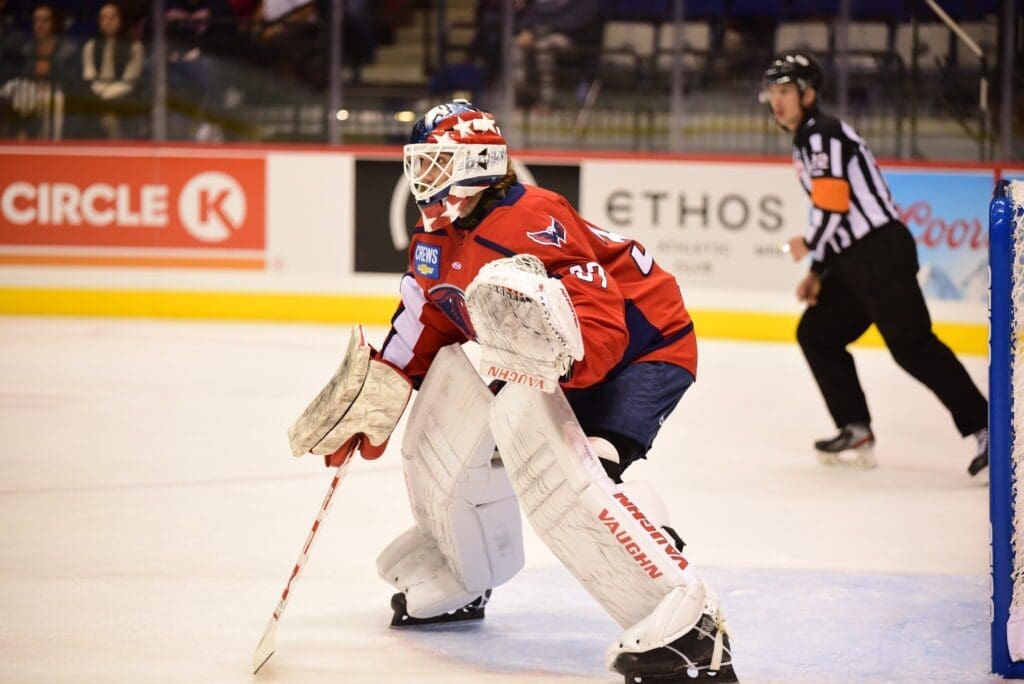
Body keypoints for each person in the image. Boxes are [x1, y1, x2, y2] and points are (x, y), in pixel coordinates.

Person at [287, 99, 738, 682]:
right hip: (546, 359)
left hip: (642, 351)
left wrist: (546, 370)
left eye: (436, 163)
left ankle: (687, 624)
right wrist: (380, 390)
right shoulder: (438, 236)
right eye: (420, 163)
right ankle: (462, 573)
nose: (422, 177)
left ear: (476, 163)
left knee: (578, 473)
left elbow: (602, 322)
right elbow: (425, 318)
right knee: (460, 419)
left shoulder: (529, 219)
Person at [761, 53, 989, 476]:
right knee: (817, 333)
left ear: (808, 94)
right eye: (772, 93)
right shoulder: (808, 139)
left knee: (912, 346)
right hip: (852, 261)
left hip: (878, 252)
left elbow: (832, 203)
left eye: (786, 92)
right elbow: (829, 211)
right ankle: (855, 426)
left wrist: (809, 246)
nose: (777, 101)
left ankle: (988, 427)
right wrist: (818, 270)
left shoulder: (822, 134)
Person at [80, 2, 143, 139]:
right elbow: (89, 75)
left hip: (124, 96)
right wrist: (101, 93)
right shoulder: (90, 46)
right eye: (104, 18)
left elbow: (130, 80)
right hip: (96, 94)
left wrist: (108, 95)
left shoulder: (135, 46)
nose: (108, 22)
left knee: (113, 114)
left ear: (121, 20)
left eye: (112, 17)